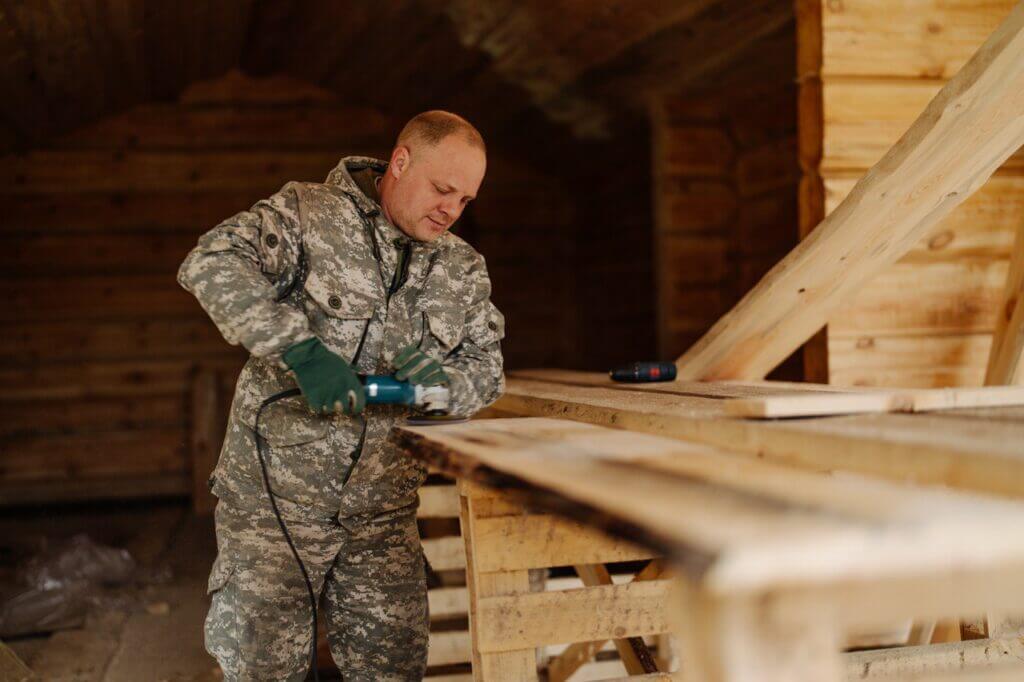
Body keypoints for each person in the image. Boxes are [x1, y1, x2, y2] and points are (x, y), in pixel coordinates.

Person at [177, 110, 505, 681]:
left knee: (393, 670)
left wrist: (438, 385)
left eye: (466, 201)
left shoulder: (462, 268)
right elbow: (211, 262)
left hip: (383, 517)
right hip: (275, 511)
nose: (451, 210)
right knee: (263, 671)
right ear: (401, 162)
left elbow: (489, 372)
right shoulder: (307, 216)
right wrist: (302, 353)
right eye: (442, 189)